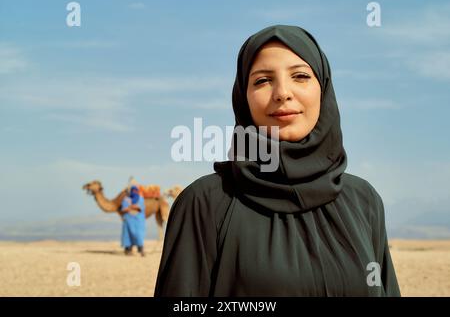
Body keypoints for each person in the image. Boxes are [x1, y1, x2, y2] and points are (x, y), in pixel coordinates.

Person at [154, 25, 401, 296]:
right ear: (242, 98)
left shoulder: (363, 200)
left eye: (300, 76)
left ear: (324, 89)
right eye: (262, 80)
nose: (282, 93)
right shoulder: (205, 203)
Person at [120, 185, 146, 256]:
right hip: (128, 220)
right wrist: (130, 207)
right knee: (127, 235)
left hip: (138, 220)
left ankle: (141, 250)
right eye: (133, 191)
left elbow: (140, 208)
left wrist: (131, 206)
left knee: (138, 235)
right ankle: (128, 250)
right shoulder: (126, 199)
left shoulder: (140, 199)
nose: (134, 192)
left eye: (135, 191)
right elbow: (123, 209)